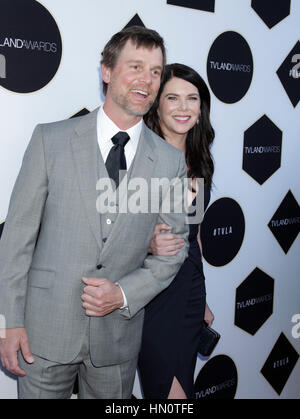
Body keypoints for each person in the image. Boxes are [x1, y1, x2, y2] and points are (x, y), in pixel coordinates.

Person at [0, 27, 189, 399]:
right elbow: (16, 241)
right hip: (43, 334)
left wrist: (122, 293)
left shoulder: (170, 161)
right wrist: (9, 322)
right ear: (106, 70)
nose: (146, 81)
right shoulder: (49, 141)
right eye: (135, 67)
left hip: (117, 341)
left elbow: (173, 250)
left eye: (155, 71)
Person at [138, 63, 215, 399]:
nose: (183, 107)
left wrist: (203, 298)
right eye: (173, 98)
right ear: (157, 104)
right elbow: (109, 232)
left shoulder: (198, 161)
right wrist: (147, 243)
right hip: (153, 294)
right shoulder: (139, 158)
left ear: (201, 108)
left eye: (192, 98)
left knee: (183, 388)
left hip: (189, 290)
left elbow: (194, 233)